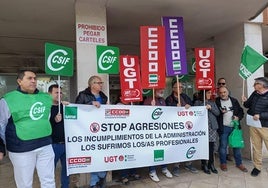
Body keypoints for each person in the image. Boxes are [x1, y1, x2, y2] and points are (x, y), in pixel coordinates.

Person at [0, 70, 55, 188]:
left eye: (35, 78)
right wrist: (1, 146)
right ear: (19, 81)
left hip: (45, 145)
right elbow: (1, 124)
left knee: (49, 181)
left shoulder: (45, 97)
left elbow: (47, 117)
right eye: (29, 78)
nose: (33, 81)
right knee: (25, 184)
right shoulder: (8, 99)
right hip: (21, 148)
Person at [75, 75, 108, 188]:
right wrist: (90, 104)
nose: (101, 85)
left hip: (102, 131)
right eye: (99, 83)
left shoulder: (104, 96)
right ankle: (94, 182)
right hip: (88, 131)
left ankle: (101, 177)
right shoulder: (83, 95)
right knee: (92, 156)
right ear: (92, 84)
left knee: (102, 155)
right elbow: (77, 108)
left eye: (101, 83)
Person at [165, 80, 198, 176]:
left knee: (188, 144)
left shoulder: (185, 96)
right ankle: (176, 166)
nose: (180, 89)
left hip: (187, 126)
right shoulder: (169, 99)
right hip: (176, 127)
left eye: (181, 87)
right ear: (173, 88)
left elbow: (192, 105)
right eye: (178, 87)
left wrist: (189, 106)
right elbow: (166, 110)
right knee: (178, 146)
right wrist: (175, 107)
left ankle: (189, 164)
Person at [215, 86, 247, 172]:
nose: (222, 94)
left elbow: (241, 111)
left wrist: (238, 117)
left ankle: (239, 163)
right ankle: (223, 163)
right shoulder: (216, 101)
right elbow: (214, 114)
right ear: (219, 94)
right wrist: (220, 113)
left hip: (234, 127)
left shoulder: (234, 100)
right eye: (221, 93)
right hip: (223, 128)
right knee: (223, 147)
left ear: (228, 92)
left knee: (236, 146)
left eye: (224, 92)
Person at [143, 89, 173, 182]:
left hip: (162, 129)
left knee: (163, 149)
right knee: (153, 150)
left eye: (162, 90)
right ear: (154, 90)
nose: (162, 91)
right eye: (159, 90)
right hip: (152, 130)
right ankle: (152, 171)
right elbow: (142, 114)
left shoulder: (162, 100)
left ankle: (164, 168)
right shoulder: (148, 100)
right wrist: (149, 107)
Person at [242, 77, 268, 177]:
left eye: (256, 84)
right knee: (256, 147)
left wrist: (260, 115)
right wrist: (245, 101)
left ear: (262, 85)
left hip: (265, 126)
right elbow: (248, 105)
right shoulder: (255, 93)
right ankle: (257, 167)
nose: (254, 85)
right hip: (253, 125)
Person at [116, 95, 141, 184]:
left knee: (133, 155)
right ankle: (123, 175)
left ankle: (133, 173)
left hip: (132, 135)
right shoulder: (117, 106)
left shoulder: (133, 106)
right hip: (123, 136)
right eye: (124, 96)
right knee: (124, 156)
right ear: (120, 98)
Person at [194, 90, 220, 174]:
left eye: (210, 93)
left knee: (211, 146)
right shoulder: (198, 102)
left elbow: (218, 113)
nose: (210, 94)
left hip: (211, 127)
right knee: (204, 146)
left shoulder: (212, 102)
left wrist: (211, 108)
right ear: (203, 94)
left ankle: (211, 164)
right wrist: (203, 105)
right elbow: (195, 111)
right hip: (202, 128)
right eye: (208, 93)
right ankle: (204, 164)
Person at [48, 84, 69, 188]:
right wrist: (53, 120)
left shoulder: (65, 107)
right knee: (49, 172)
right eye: (56, 92)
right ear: (49, 94)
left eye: (61, 92)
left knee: (67, 171)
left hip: (67, 144)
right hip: (53, 145)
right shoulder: (46, 108)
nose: (59, 94)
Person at [216, 78, 233, 162]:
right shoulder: (215, 97)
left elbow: (238, 110)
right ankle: (223, 159)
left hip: (231, 124)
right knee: (222, 142)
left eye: (223, 83)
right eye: (220, 84)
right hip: (220, 124)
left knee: (229, 143)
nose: (221, 85)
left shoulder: (231, 98)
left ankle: (226, 155)